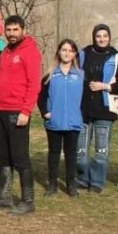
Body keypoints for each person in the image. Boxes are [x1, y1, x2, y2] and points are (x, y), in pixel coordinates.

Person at [0, 15, 42, 215]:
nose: (12, 34)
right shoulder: (6, 51)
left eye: (15, 30)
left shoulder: (30, 52)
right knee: (2, 157)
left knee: (20, 157)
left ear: (23, 30)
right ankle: (4, 197)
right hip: (1, 110)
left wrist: (26, 111)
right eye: (9, 30)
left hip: (17, 112)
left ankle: (28, 200)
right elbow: (2, 75)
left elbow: (34, 84)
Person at [77, 23, 118, 194]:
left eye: (105, 36)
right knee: (81, 151)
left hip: (104, 111)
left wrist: (104, 86)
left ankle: (97, 182)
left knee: (101, 151)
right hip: (83, 109)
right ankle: (83, 179)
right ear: (94, 37)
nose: (102, 39)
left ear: (109, 37)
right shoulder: (83, 54)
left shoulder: (116, 57)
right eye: (98, 36)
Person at [38, 40, 85, 198]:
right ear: (58, 52)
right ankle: (52, 184)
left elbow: (86, 99)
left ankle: (71, 184)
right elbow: (41, 97)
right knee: (54, 153)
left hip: (73, 122)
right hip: (54, 122)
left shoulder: (80, 76)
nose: (67, 53)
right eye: (64, 50)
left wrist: (81, 115)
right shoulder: (50, 75)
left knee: (71, 154)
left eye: (70, 50)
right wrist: (46, 113)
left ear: (74, 54)